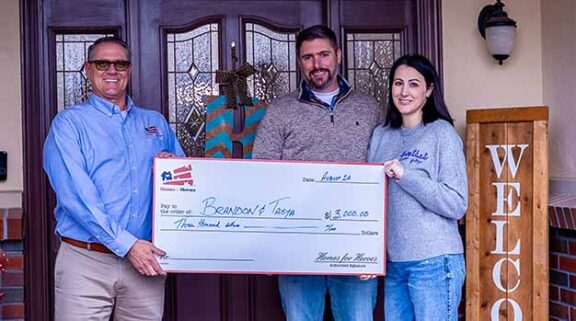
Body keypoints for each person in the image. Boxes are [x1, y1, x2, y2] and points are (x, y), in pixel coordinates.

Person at [43, 37, 184, 321]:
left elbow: (187, 185)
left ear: (129, 70)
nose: (112, 70)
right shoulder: (69, 125)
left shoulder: (154, 123)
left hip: (146, 263)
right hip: (86, 261)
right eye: (102, 63)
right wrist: (128, 245)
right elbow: (78, 198)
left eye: (120, 63)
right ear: (87, 69)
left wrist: (175, 172)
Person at [253, 25, 382, 321]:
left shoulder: (369, 107)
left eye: (323, 54)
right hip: (296, 245)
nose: (317, 64)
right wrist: (267, 243)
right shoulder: (280, 110)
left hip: (355, 244)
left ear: (337, 55)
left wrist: (376, 243)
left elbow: (383, 174)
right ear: (300, 62)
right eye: (308, 57)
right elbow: (261, 175)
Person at [368, 54, 467, 321]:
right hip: (394, 265)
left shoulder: (442, 133)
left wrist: (406, 175)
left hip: (434, 262)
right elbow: (370, 201)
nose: (404, 91)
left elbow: (457, 203)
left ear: (429, 89)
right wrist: (366, 253)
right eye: (398, 83)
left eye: (413, 84)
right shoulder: (381, 135)